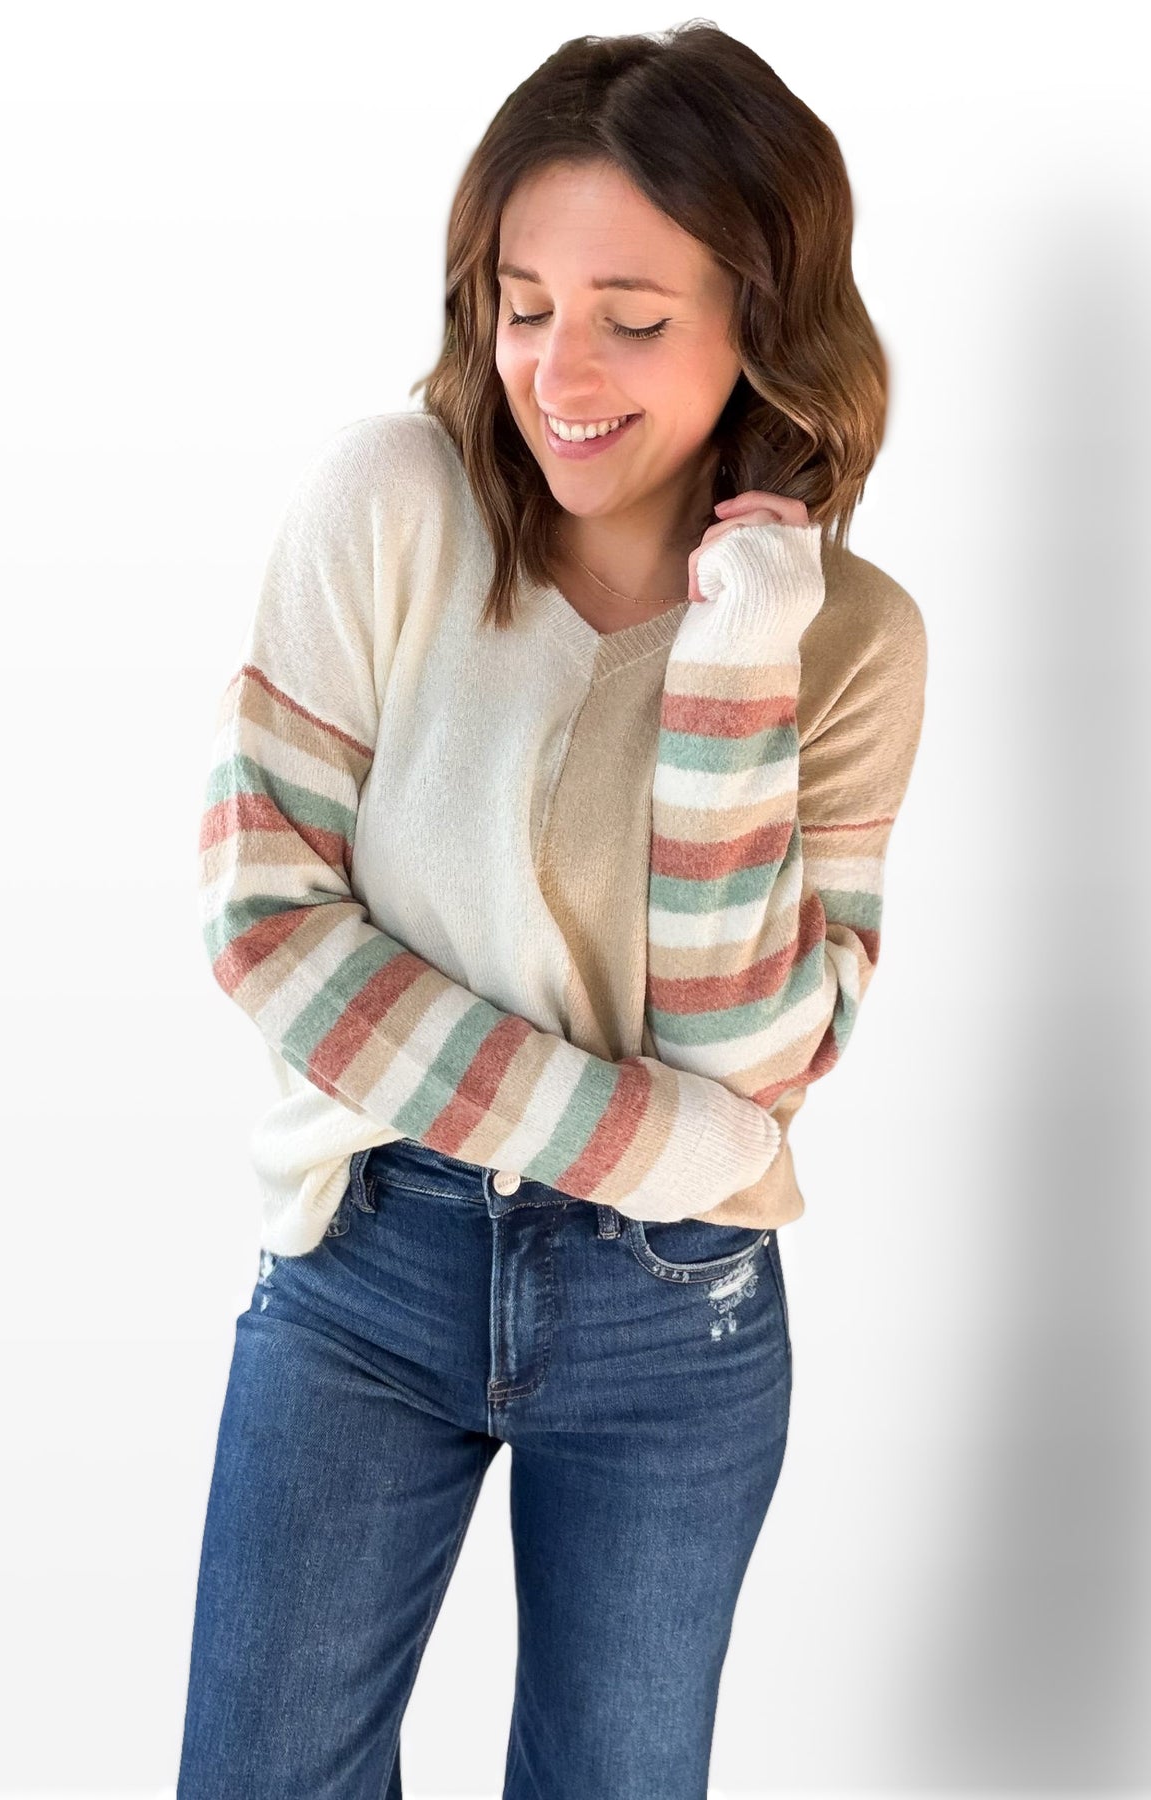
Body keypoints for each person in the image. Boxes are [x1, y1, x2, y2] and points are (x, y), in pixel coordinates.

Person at [176, 22, 927, 1799]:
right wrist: (664, 1146)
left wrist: (743, 635)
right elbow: (269, 924)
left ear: (765, 314)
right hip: (366, 1259)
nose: (557, 369)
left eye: (634, 317)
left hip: (679, 1321)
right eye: (522, 304)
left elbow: (756, 1047)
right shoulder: (390, 507)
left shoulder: (853, 637)